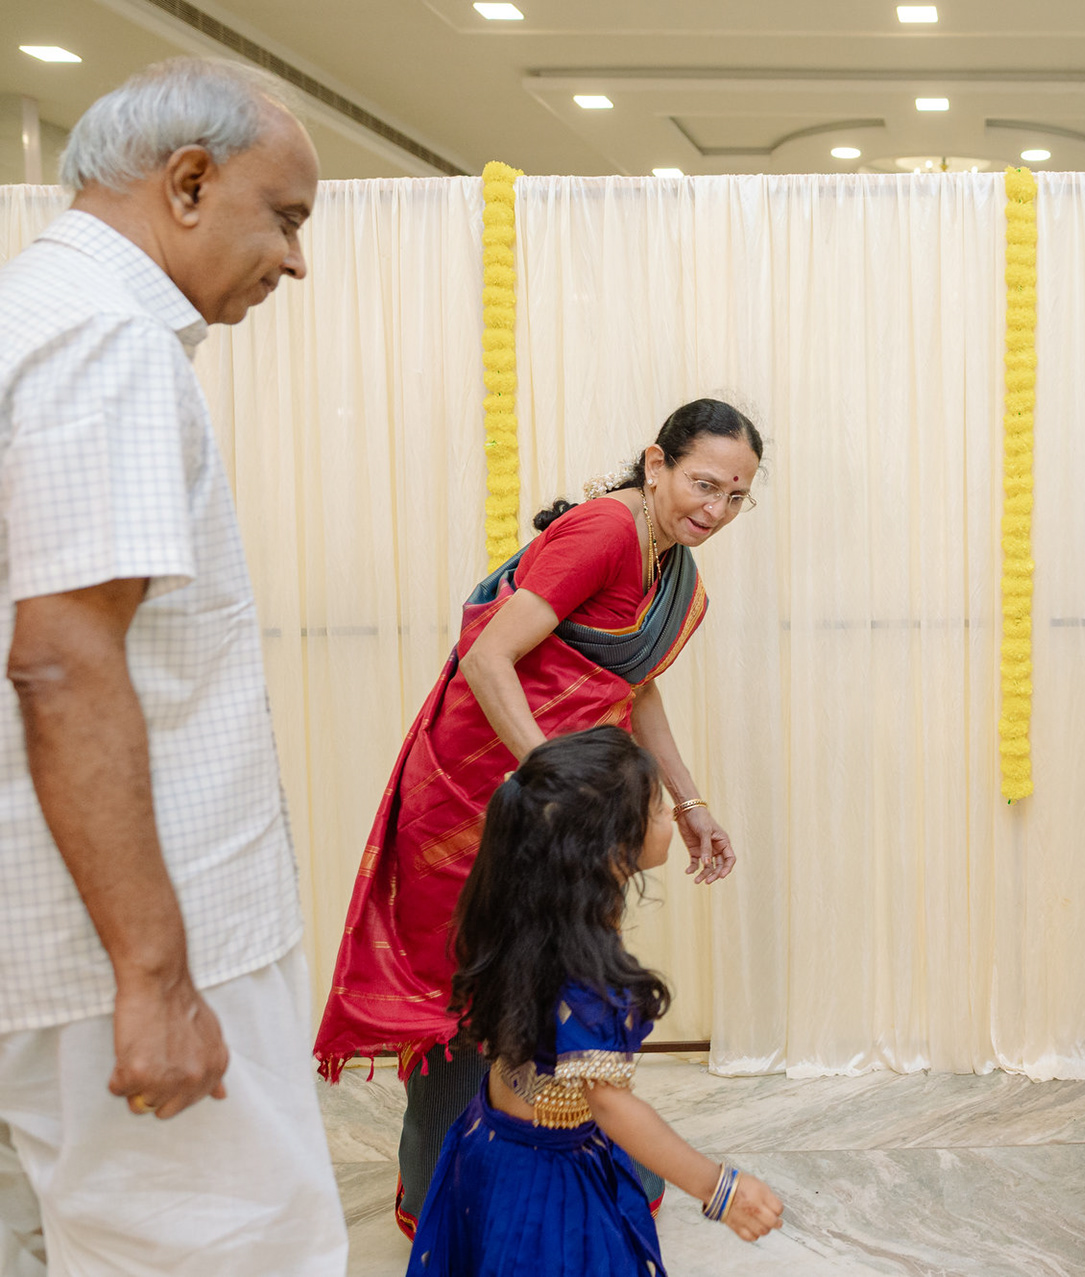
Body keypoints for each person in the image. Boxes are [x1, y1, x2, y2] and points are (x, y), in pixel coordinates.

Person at [0, 59, 346, 1275]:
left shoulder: (34, 311)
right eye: (285, 217)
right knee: (226, 1249)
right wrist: (154, 976)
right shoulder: (106, 342)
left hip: (68, 929)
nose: (296, 262)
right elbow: (63, 659)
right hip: (125, 940)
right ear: (188, 183)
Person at [314, 399, 763, 1234]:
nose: (718, 508)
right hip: (479, 793)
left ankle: (558, 1165)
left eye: (737, 495)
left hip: (558, 799)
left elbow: (634, 682)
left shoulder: (672, 564)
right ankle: (451, 1196)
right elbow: (488, 655)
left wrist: (690, 801)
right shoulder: (605, 532)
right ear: (655, 464)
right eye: (705, 484)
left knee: (555, 973)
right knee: (468, 987)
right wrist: (552, 781)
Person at [406, 726, 784, 1275]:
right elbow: (610, 1104)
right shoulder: (584, 970)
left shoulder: (526, 910)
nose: (670, 818)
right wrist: (720, 1189)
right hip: (544, 1174)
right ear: (613, 848)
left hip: (488, 1141)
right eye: (658, 809)